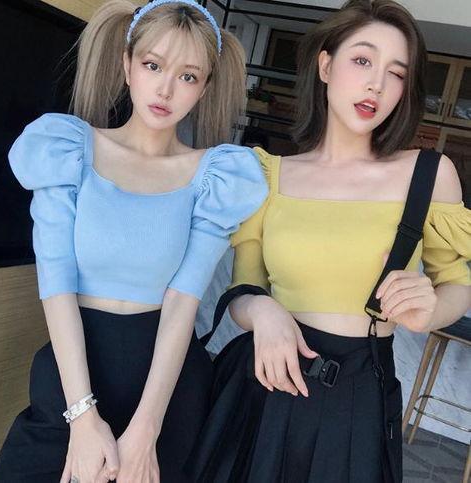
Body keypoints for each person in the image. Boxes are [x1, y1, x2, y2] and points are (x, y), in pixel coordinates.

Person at [187, 1, 471, 482]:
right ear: (325, 65)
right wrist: (263, 311)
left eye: (396, 73)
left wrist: (430, 310)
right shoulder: (267, 174)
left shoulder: (429, 174)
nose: (377, 84)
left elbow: (457, 285)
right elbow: (243, 290)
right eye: (362, 60)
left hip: (359, 395)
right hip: (265, 385)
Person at [0, 1, 268, 482]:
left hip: (164, 390)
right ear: (127, 65)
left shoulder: (214, 178)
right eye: (153, 65)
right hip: (73, 372)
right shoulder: (67, 150)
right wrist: (82, 415)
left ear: (203, 88)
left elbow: (182, 304)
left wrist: (146, 429)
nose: (165, 89)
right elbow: (56, 285)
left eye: (187, 76)